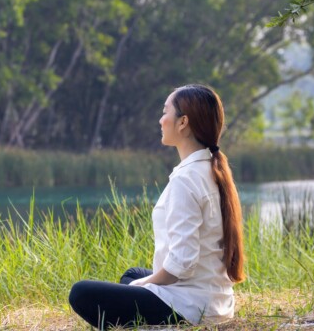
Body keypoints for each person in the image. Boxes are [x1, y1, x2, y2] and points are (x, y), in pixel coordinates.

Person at [68, 84, 246, 329]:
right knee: (132, 274)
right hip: (213, 300)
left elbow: (183, 263)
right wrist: (144, 282)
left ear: (182, 122)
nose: (161, 120)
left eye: (165, 112)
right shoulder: (210, 170)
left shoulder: (187, 179)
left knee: (81, 293)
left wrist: (146, 284)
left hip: (191, 307)